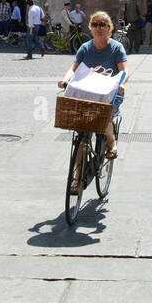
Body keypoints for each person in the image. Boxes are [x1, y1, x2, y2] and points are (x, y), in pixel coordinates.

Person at [58, 10, 128, 187]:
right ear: (90, 27)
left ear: (109, 28)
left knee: (106, 113)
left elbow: (124, 70)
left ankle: (111, 143)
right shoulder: (85, 48)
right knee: (81, 136)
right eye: (95, 24)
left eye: (102, 24)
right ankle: (77, 178)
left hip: (109, 91)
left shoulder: (116, 48)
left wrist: (121, 83)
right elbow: (73, 68)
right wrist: (65, 80)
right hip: (88, 91)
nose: (99, 28)